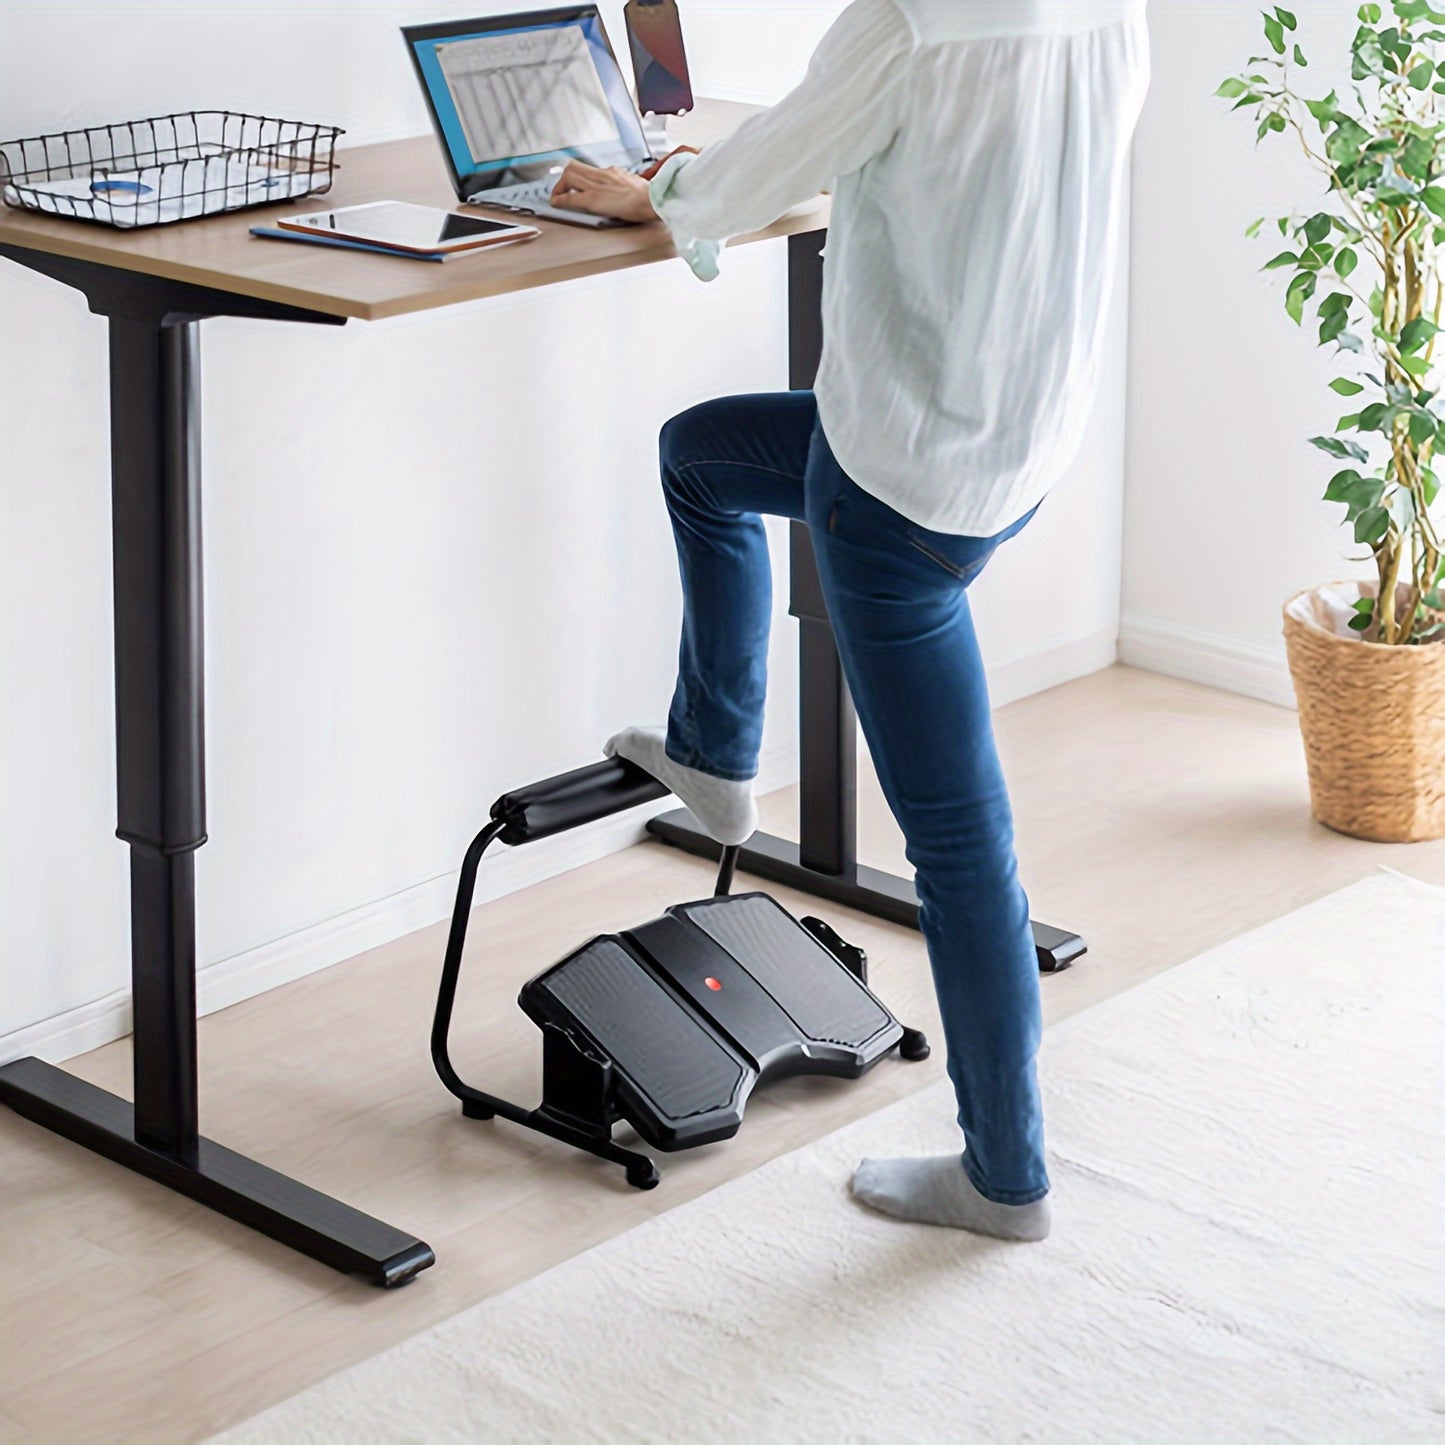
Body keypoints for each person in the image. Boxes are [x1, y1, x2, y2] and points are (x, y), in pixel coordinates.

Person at [551, 0, 1150, 1242]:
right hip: (1018, 441)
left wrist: (662, 193)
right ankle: (715, 761)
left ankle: (1003, 1176)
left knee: (958, 847)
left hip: (896, 488)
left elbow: (771, 166)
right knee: (702, 456)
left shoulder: (907, 17)